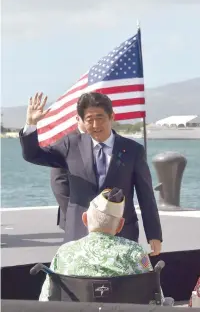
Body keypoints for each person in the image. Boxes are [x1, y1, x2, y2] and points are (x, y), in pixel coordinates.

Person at [19, 92, 162, 256]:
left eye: (100, 118)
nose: (95, 124)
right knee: (80, 281)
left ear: (111, 117)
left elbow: (146, 195)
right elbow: (33, 155)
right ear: (81, 120)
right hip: (79, 233)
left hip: (121, 233)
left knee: (119, 281)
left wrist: (154, 235)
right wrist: (31, 124)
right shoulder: (70, 144)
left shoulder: (133, 150)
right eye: (89, 119)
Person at [39, 188, 153, 301]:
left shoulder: (64, 253)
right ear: (120, 225)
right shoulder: (135, 252)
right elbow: (154, 295)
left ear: (85, 219)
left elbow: (46, 298)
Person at [51, 116, 86, 230]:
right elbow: (59, 183)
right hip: (75, 218)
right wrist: (75, 215)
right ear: (78, 118)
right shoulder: (65, 144)